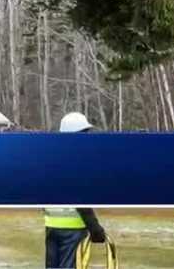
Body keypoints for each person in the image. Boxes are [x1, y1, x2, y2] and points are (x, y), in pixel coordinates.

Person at [44, 112, 107, 268]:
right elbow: (79, 197)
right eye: (84, 133)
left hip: (52, 226)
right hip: (72, 229)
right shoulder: (76, 158)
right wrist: (95, 228)